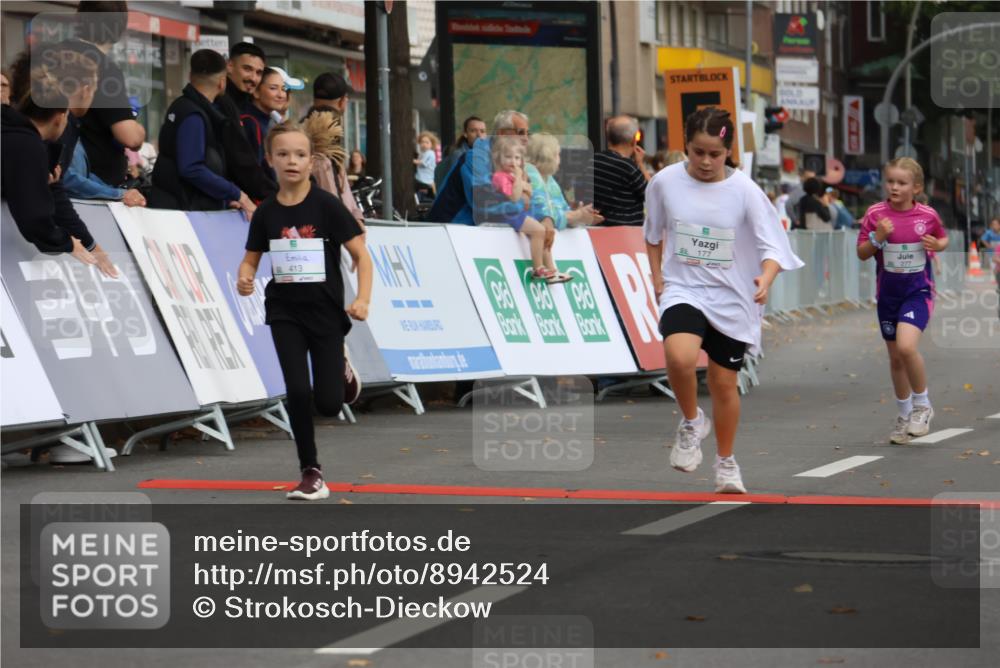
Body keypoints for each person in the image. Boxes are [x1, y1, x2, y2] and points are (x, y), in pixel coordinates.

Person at [644, 107, 803, 493]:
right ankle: (691, 420)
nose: (705, 161)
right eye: (698, 152)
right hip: (684, 288)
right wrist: (657, 277)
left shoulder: (745, 190)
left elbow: (773, 248)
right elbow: (652, 234)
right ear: (686, 146)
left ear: (727, 150)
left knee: (723, 383)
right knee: (680, 357)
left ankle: (726, 463)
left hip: (734, 297)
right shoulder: (664, 183)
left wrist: (764, 280)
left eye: (715, 154)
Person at [237, 122, 372, 500]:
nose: (291, 161)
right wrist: (244, 278)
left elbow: (361, 255)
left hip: (326, 312)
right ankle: (310, 471)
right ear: (270, 160)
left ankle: (341, 367)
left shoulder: (326, 206)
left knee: (329, 404)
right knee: (297, 389)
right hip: (285, 311)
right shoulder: (266, 213)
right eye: (283, 154)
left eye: (299, 154)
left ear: (311, 162)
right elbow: (250, 260)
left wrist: (362, 299)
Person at [856, 157, 949, 445]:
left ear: (916, 187)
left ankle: (922, 406)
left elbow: (942, 238)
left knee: (907, 347)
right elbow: (861, 252)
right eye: (891, 181)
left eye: (901, 183)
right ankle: (904, 414)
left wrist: (937, 245)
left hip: (918, 291)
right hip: (888, 294)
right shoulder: (875, 214)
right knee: (895, 358)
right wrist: (878, 237)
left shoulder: (927, 215)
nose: (894, 187)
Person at [1, 60, 117, 275]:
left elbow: (54, 194)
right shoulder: (26, 144)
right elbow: (32, 214)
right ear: (60, 117)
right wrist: (64, 242)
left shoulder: (30, 142)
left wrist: (89, 244)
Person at [148, 49, 255, 214]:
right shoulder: (194, 115)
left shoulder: (181, 106)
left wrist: (225, 199)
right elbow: (191, 168)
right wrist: (237, 194)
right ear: (222, 82)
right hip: (181, 210)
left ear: (190, 76)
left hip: (172, 203)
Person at [72, 2, 146, 188]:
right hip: (93, 183)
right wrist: (139, 130)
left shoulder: (50, 55)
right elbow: (130, 137)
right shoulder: (103, 68)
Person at [490, 135, 568, 284]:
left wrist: (523, 186)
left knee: (544, 232)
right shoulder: (500, 177)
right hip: (509, 214)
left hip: (521, 211)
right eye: (508, 157)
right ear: (499, 159)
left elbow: (529, 193)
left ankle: (551, 269)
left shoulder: (516, 176)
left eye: (517, 158)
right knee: (539, 230)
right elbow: (514, 197)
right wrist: (520, 181)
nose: (513, 162)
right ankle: (538, 268)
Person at [214, 42, 277, 203]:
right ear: (229, 66)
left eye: (258, 72)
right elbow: (242, 164)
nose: (253, 78)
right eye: (247, 69)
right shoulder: (220, 104)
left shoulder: (249, 111)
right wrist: (278, 197)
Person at [526, 132, 603, 230]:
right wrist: (577, 215)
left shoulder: (548, 179)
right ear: (547, 155)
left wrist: (581, 215)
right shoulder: (530, 176)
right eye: (558, 154)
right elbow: (544, 216)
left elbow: (562, 212)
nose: (560, 159)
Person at [302, 109, 365, 226]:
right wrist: (357, 219)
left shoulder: (333, 162)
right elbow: (332, 196)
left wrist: (357, 219)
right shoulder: (322, 162)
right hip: (338, 225)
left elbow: (344, 197)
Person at [587, 115, 651, 226]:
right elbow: (652, 194)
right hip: (625, 236)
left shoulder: (591, 162)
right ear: (633, 141)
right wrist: (640, 164)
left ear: (609, 138)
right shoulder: (629, 167)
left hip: (594, 234)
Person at [64, 139, 146, 205]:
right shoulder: (65, 137)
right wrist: (119, 193)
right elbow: (70, 180)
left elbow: (86, 175)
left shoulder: (72, 134)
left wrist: (120, 191)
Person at [241, 68, 288, 179]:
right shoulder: (250, 122)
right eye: (273, 88)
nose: (281, 95)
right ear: (256, 92)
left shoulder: (268, 122)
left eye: (283, 89)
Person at [435, 115, 486, 191]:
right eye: (473, 131)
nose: (479, 135)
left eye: (482, 131)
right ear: (465, 134)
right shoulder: (458, 156)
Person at [413, 131, 439, 198]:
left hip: (425, 179)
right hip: (421, 178)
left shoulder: (430, 153)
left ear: (431, 144)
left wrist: (413, 161)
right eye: (422, 142)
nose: (424, 144)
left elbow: (423, 163)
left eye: (427, 142)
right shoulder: (422, 153)